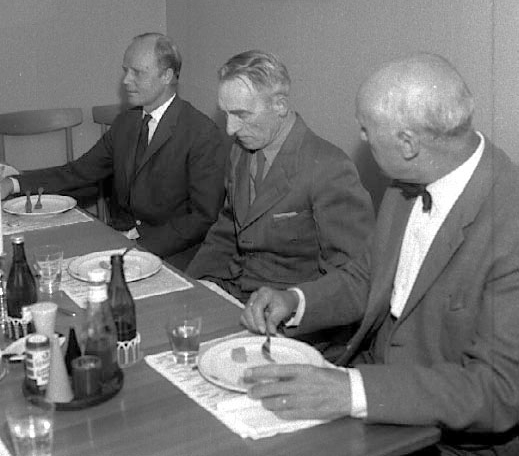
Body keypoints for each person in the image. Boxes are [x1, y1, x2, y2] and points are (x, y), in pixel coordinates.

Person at [240, 53, 519, 456]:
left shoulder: (509, 224)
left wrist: (351, 391)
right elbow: (367, 276)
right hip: (375, 392)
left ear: (408, 144)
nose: (362, 138)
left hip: (450, 442)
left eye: (366, 129)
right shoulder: (405, 186)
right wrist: (295, 300)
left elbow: (499, 390)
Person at [1, 33, 226, 268]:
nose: (126, 80)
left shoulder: (201, 133)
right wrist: (13, 183)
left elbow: (203, 217)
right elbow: (78, 172)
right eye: (126, 71)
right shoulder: (126, 123)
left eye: (137, 72)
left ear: (166, 76)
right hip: (121, 240)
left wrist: (138, 247)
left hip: (173, 254)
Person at [186, 50, 374, 304]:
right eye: (226, 114)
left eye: (241, 115)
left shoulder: (330, 168)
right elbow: (227, 230)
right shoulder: (241, 150)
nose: (230, 129)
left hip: (286, 311)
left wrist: (292, 306)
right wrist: (192, 285)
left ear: (280, 106)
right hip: (232, 290)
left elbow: (351, 278)